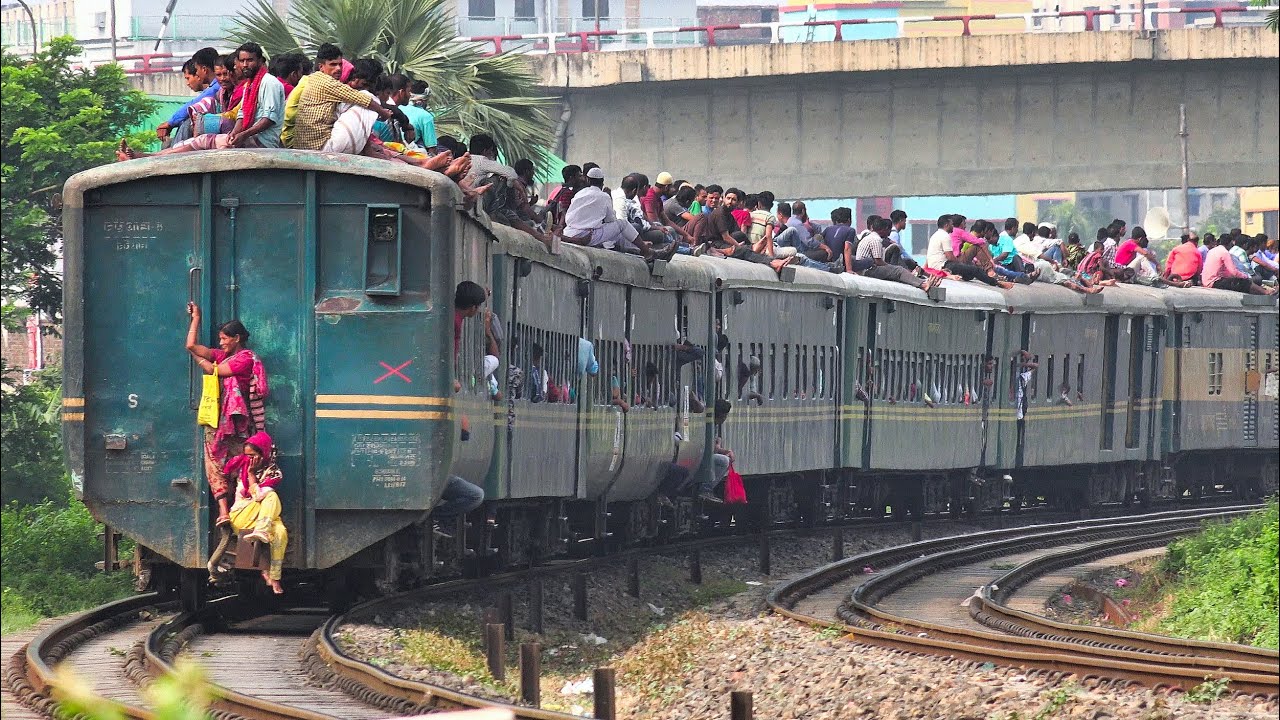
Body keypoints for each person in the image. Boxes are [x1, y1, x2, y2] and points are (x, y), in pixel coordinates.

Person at [119, 43, 287, 158]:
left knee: (201, 141)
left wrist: (242, 135)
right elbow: (242, 115)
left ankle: (149, 157)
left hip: (262, 143)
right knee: (199, 139)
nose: (245, 65)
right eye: (242, 61)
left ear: (260, 61)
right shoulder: (250, 84)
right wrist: (235, 133)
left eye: (249, 60)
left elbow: (268, 120)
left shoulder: (268, 83)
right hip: (249, 138)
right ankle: (150, 157)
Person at [185, 303, 267, 528]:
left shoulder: (245, 359)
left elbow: (215, 371)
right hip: (218, 422)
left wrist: (202, 362)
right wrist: (196, 318)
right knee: (214, 464)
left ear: (237, 338)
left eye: (224, 339)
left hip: (240, 424)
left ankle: (241, 509)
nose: (220, 343)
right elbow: (191, 345)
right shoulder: (223, 356)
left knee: (243, 465)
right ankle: (223, 511)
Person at [224, 432, 288, 594]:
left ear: (263, 454)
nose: (249, 460)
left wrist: (253, 475)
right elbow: (257, 496)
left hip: (263, 517)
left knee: (280, 532)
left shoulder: (274, 473)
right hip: (242, 517)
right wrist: (251, 474)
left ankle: (274, 576)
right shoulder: (244, 472)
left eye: (253, 455)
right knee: (271, 496)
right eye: (246, 455)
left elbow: (259, 497)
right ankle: (262, 530)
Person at [856, 217, 941, 292]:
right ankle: (923, 285)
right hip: (867, 271)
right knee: (898, 270)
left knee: (897, 266)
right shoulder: (875, 240)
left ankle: (915, 279)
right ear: (883, 229)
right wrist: (892, 268)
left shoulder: (869, 237)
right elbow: (878, 261)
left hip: (865, 268)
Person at [926, 215, 1012, 288]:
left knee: (969, 274)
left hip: (935, 265)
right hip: (944, 265)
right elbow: (950, 257)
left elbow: (929, 257)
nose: (953, 226)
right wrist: (960, 264)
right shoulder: (945, 236)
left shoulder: (935, 235)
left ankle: (983, 273)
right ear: (946, 225)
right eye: (951, 224)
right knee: (975, 270)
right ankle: (996, 282)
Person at [156, 47, 221, 142]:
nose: (197, 74)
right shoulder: (213, 87)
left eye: (197, 69)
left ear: (204, 69)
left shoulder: (216, 87)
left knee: (187, 123)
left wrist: (170, 123)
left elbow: (193, 104)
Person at [1201, 239, 1274, 295]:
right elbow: (1234, 272)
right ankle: (1265, 292)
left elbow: (1226, 272)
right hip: (1214, 282)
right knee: (1245, 282)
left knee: (1242, 280)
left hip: (1206, 281)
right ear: (1229, 244)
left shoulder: (1212, 251)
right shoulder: (1225, 252)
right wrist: (1245, 276)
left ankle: (1263, 290)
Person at [699, 399, 734, 505]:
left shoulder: (713, 424)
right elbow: (709, 447)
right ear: (723, 416)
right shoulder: (709, 424)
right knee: (724, 461)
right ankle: (706, 488)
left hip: (700, 456)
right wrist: (722, 449)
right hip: (698, 457)